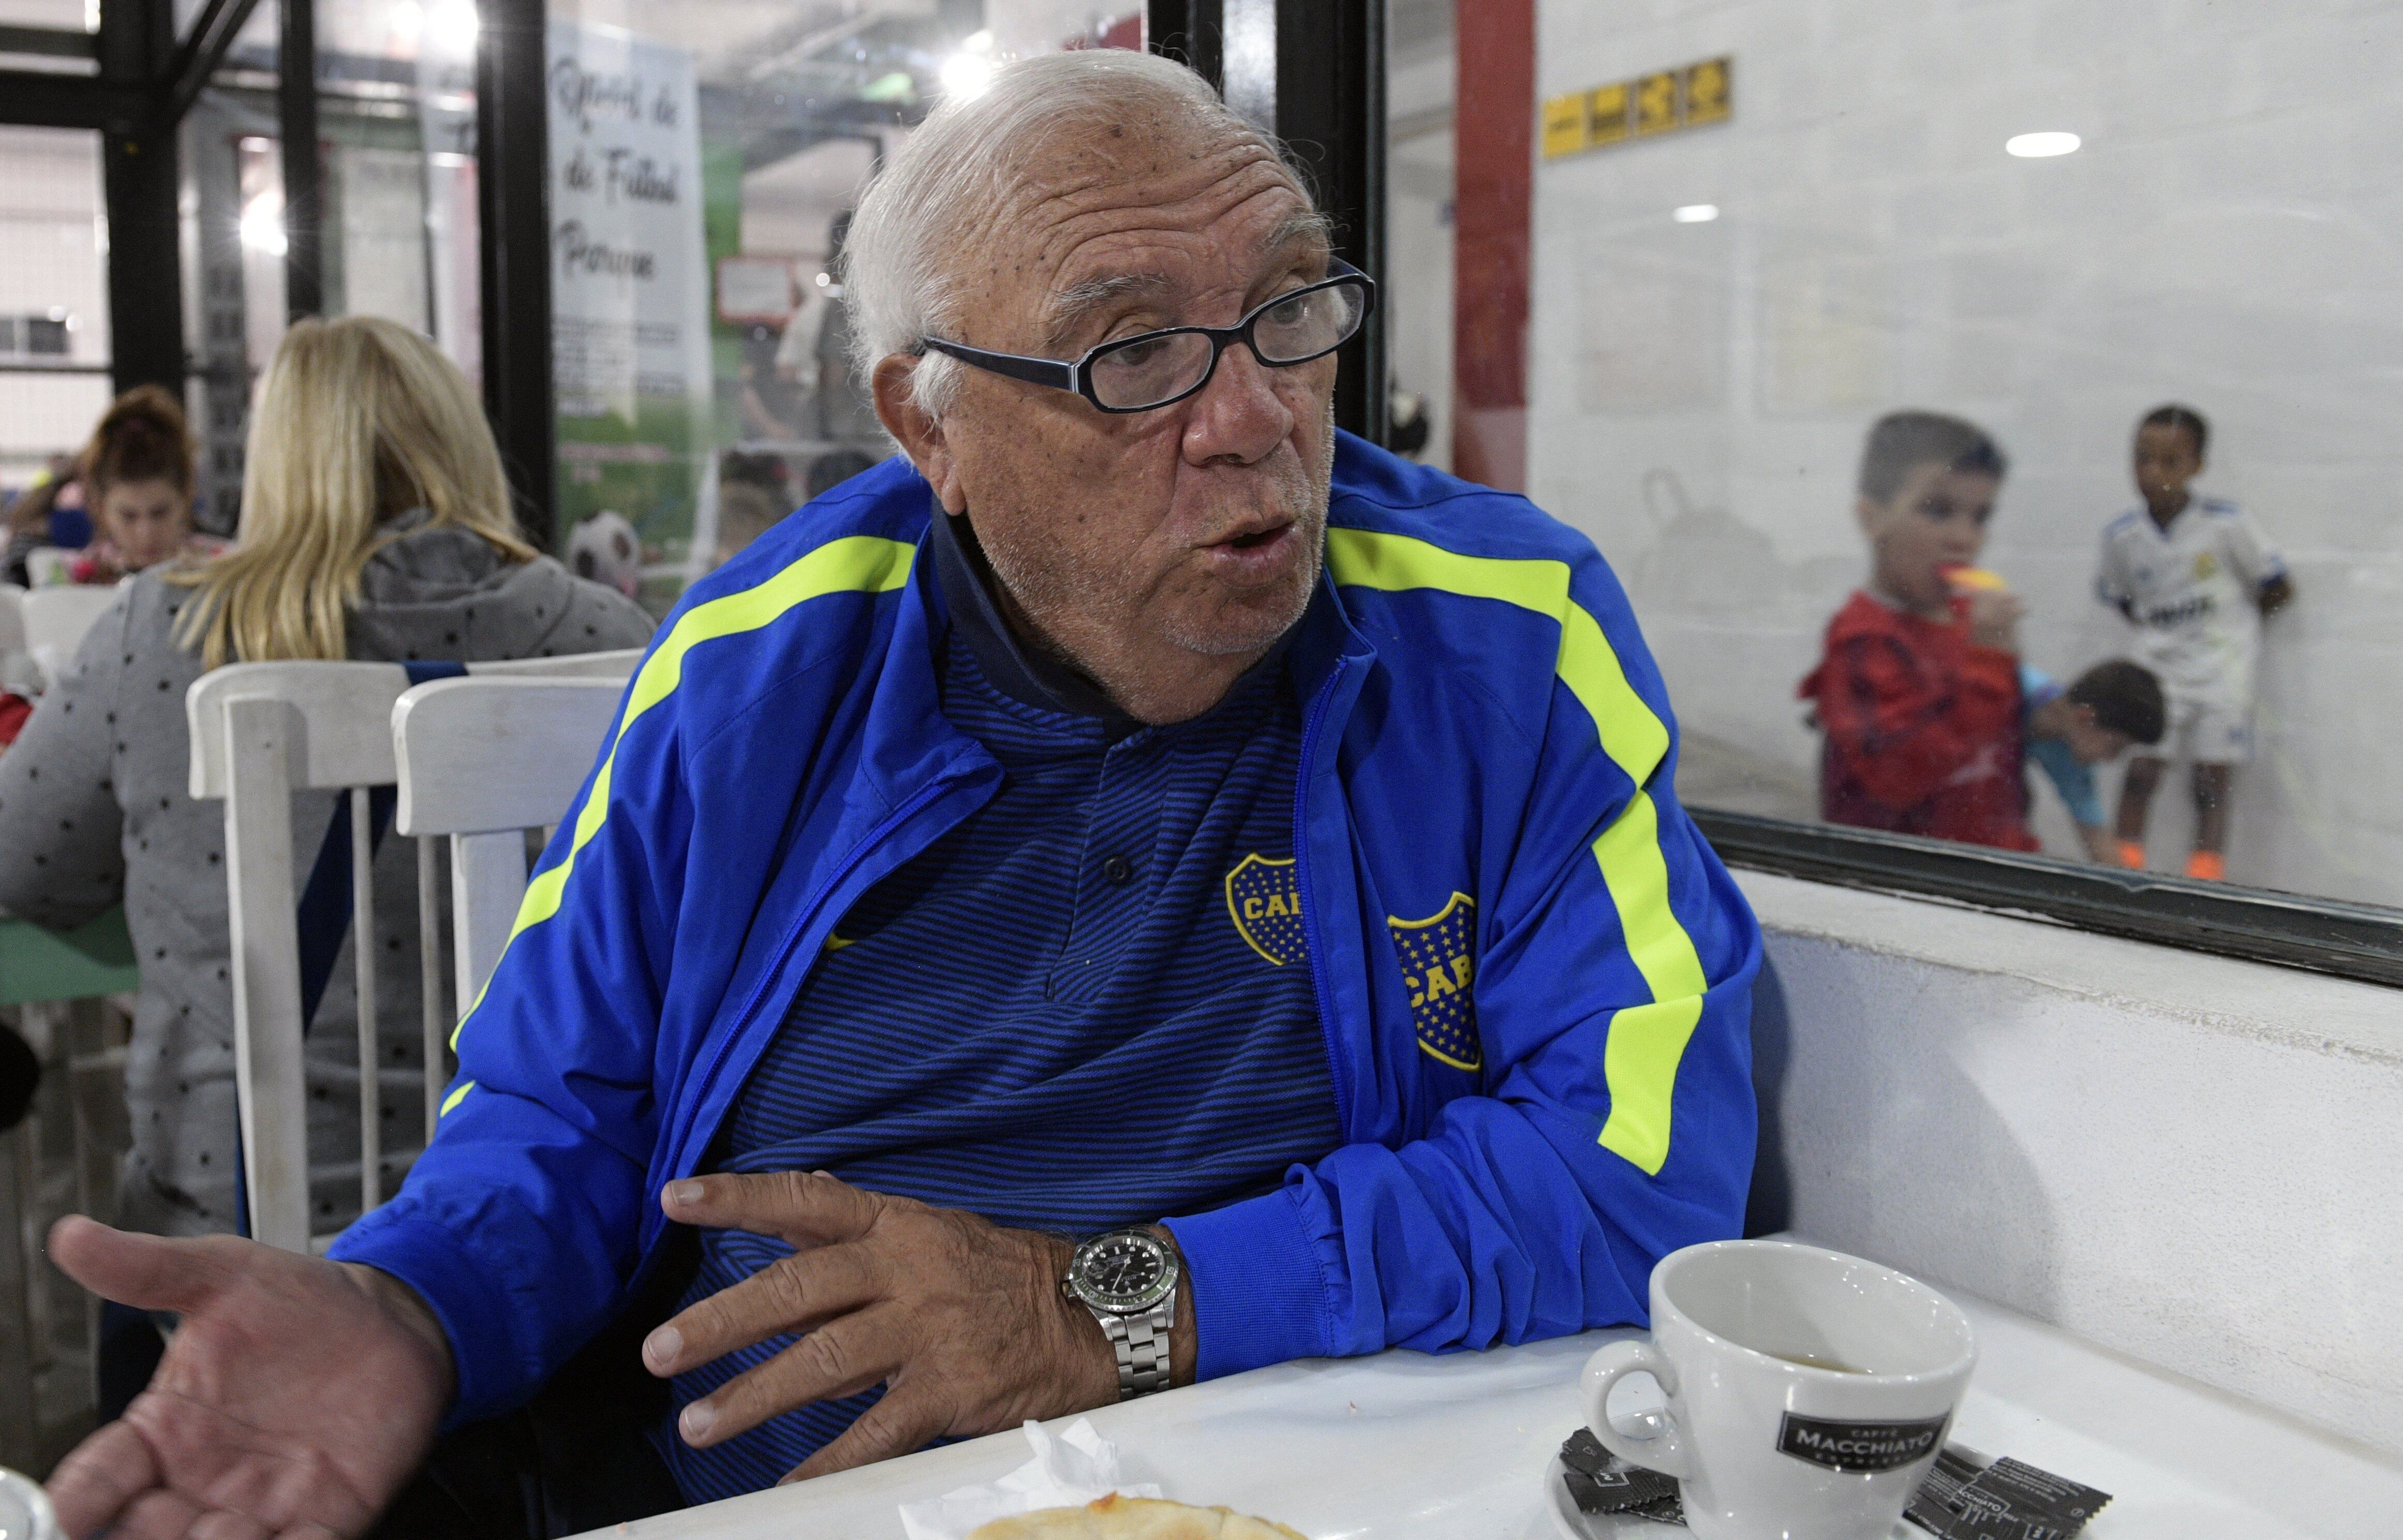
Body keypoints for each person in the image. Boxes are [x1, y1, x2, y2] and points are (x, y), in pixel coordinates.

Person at [41, 53, 1759, 1540]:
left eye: (1290, 309)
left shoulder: (1503, 636)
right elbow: (565, 1119)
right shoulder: (751, 669)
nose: (1252, 419)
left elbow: (1640, 1168)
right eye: (1132, 354)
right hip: (766, 1485)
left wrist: (1109, 1304)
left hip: (1270, 1472)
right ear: (928, 429)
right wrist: (410, 1303)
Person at [0, 315, 654, 1418]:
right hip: (542, 1242)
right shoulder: (609, 637)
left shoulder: (158, 631)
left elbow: (26, 870)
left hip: (221, 1237)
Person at [1799, 410, 2033, 851]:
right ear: (1872, 519)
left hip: (1988, 868)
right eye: (1938, 510)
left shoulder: (1970, 623)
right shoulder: (1863, 639)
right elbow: (1898, 779)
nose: (1964, 538)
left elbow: (2005, 766)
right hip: (1905, 886)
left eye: (1980, 517)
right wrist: (1988, 661)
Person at [2097, 404, 2293, 881]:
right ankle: (2122, 874)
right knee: (2141, 773)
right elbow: (2123, 599)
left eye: (2169, 462)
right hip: (2157, 672)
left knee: (2210, 782)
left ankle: (2204, 881)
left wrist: (2233, 629)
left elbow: (2278, 586)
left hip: (2220, 674)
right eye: (2142, 458)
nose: (2153, 473)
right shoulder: (2122, 537)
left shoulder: (2227, 524)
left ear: (2197, 467)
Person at [60, 387, 228, 585]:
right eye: (128, 517)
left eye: (160, 513)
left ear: (187, 497)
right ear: (100, 508)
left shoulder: (226, 570)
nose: (146, 533)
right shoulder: (74, 580)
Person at [2021, 660, 2167, 864]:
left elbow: (2097, 836)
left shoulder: (2067, 754)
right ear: (2085, 718)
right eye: (2115, 747)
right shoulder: (2010, 685)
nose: (2112, 759)